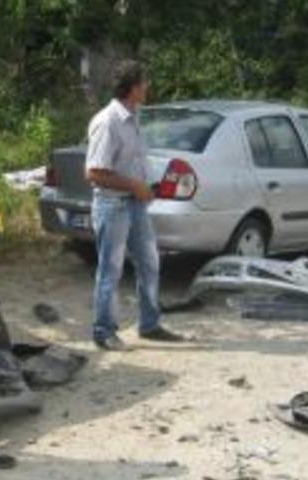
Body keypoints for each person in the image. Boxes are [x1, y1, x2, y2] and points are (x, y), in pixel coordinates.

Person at [85, 59, 184, 351]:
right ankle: (104, 332)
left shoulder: (134, 114)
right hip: (112, 205)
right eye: (144, 83)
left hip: (135, 205)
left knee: (150, 262)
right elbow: (93, 172)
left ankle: (150, 325)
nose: (148, 87)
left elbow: (130, 162)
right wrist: (135, 186)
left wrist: (146, 185)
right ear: (132, 88)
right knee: (111, 270)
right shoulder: (108, 122)